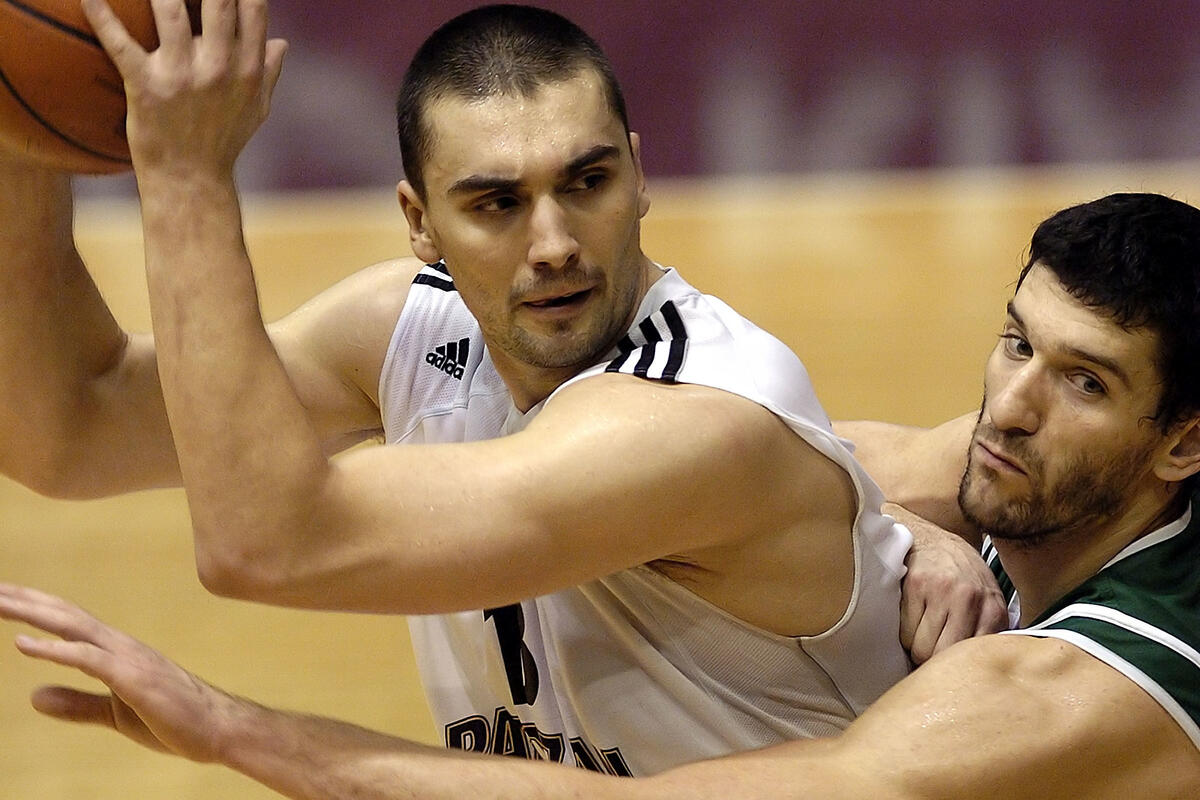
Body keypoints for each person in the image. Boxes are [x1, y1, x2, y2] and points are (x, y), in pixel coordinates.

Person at [0, 0, 1002, 777]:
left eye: (587, 182)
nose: (554, 241)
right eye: (496, 203)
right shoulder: (414, 331)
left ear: (640, 176)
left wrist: (183, 174)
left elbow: (265, 540)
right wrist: (18, 144)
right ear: (419, 222)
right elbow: (67, 428)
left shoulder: (689, 422)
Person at [4, 191, 1198, 798]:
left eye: (1085, 381)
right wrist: (882, 520)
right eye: (1016, 340)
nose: (1012, 406)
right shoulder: (1018, 476)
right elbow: (775, 456)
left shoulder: (1079, 691)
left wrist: (242, 733)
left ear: (1182, 442)